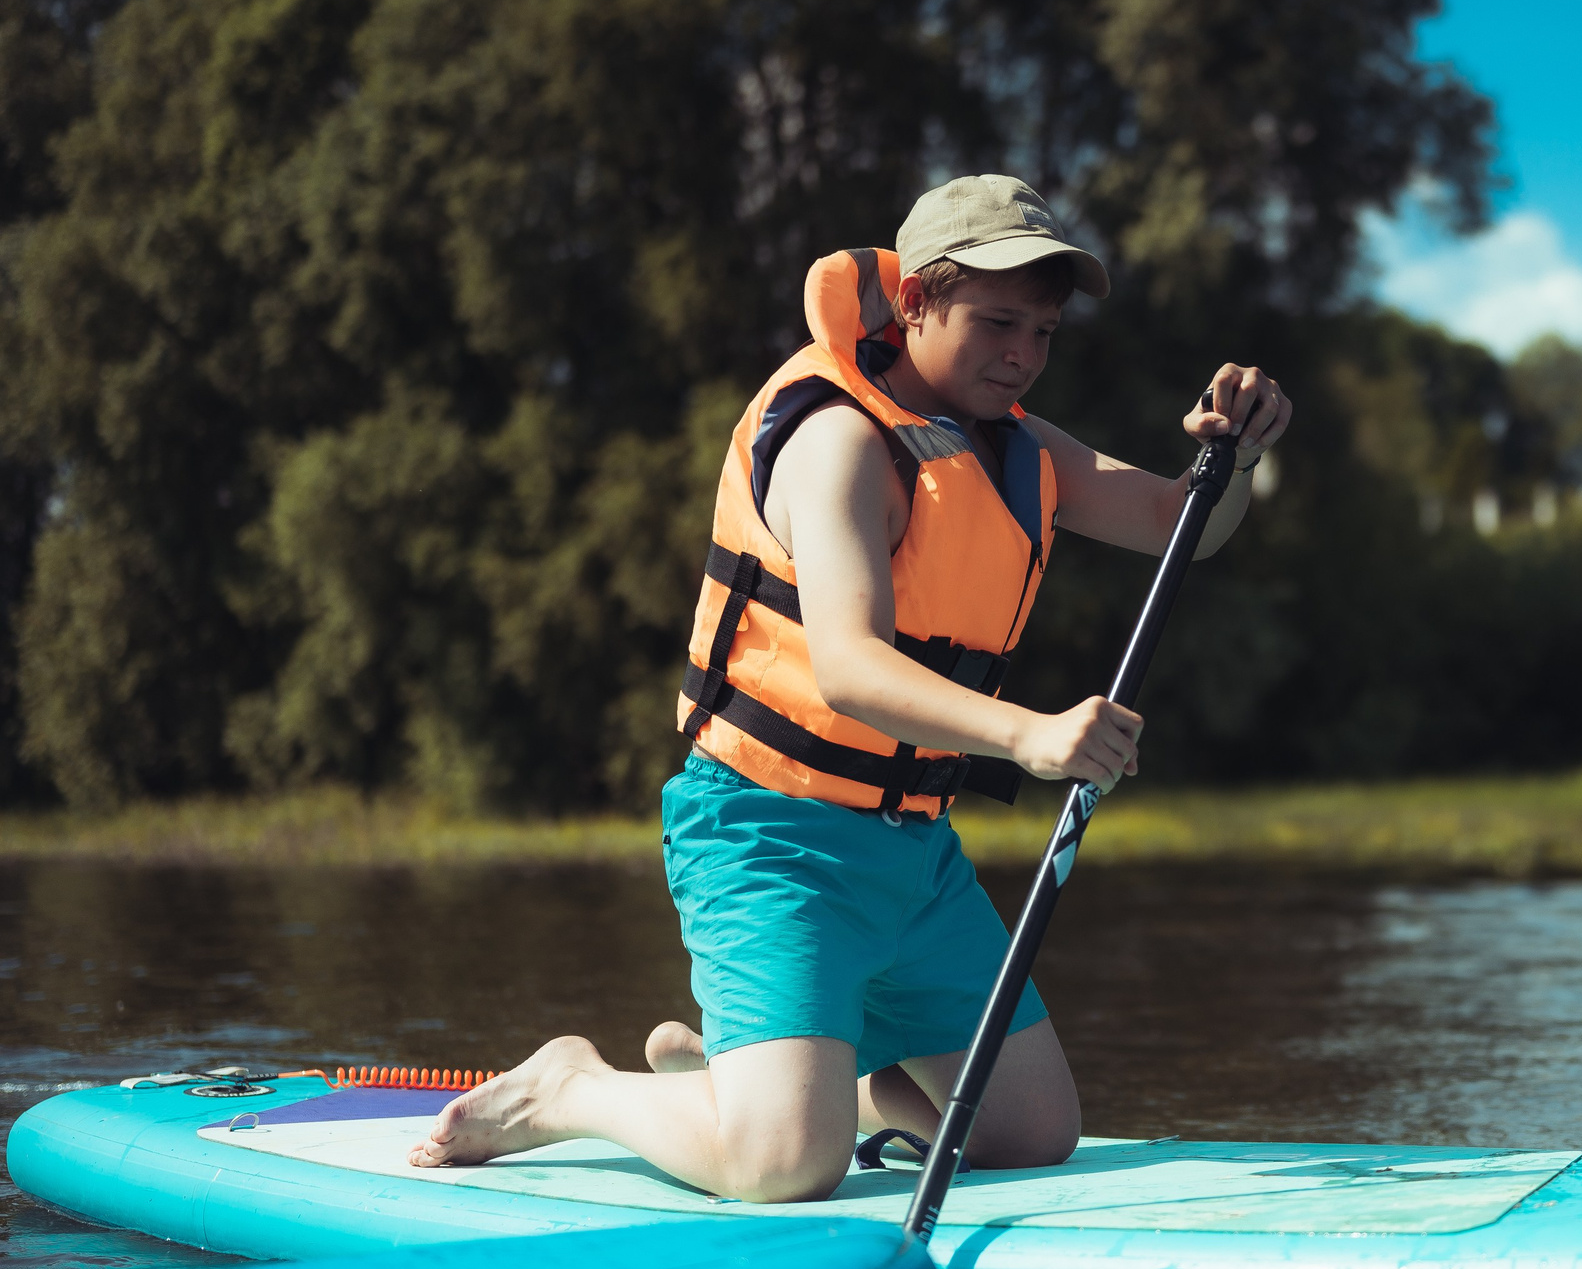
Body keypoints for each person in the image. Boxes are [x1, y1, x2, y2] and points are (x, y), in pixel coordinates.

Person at [409, 174, 1290, 1199]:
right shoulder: (837, 443)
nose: (1022, 355)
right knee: (785, 1169)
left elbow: (1180, 528)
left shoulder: (1015, 449)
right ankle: (573, 1089)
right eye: (997, 322)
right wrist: (1032, 736)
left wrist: (1237, 459)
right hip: (769, 835)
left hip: (913, 853)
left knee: (1030, 1133)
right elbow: (850, 665)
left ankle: (761, 1080)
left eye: (1043, 332)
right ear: (915, 300)